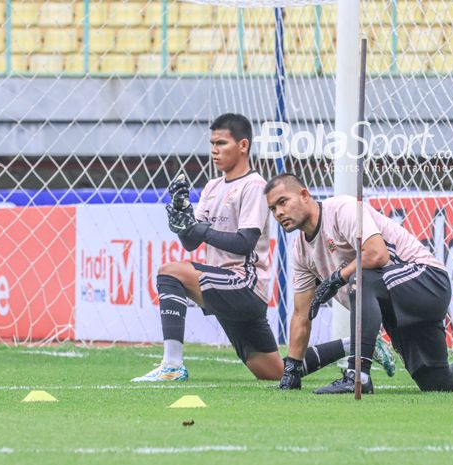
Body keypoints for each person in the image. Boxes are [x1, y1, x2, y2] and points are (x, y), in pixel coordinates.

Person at [131, 113, 392, 386]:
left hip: (244, 283)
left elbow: (244, 243)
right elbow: (191, 243)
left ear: (243, 146)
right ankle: (359, 344)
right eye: (212, 144)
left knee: (169, 272)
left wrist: (197, 229)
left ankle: (172, 365)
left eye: (221, 143)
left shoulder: (254, 186)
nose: (214, 151)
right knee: (275, 372)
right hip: (221, 283)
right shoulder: (211, 187)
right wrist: (183, 217)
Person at [264, 173, 453, 394]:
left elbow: (377, 255)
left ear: (304, 195)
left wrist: (335, 279)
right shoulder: (300, 251)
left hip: (426, 280)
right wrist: (291, 368)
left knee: (359, 278)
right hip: (395, 303)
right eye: (273, 209)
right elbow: (301, 314)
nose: (279, 213)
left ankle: (358, 375)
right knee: (437, 382)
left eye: (283, 202)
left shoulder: (340, 209)